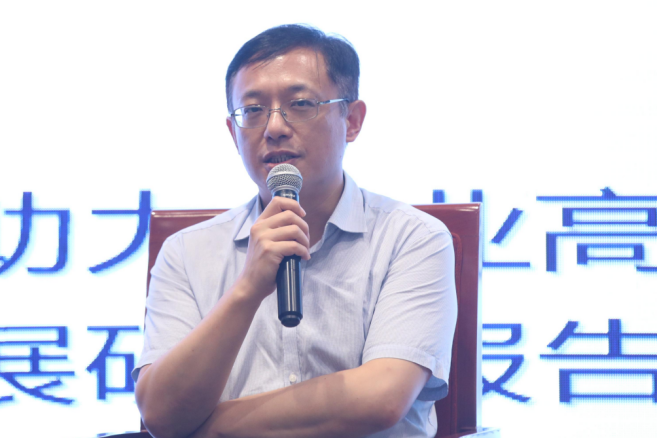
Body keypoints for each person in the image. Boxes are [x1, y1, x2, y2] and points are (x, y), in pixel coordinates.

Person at [133, 24, 457, 438]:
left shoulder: (413, 238)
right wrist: (247, 288)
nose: (274, 127)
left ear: (352, 120)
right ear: (233, 133)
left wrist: (204, 430)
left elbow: (382, 395)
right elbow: (160, 414)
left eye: (300, 104)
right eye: (252, 110)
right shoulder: (186, 252)